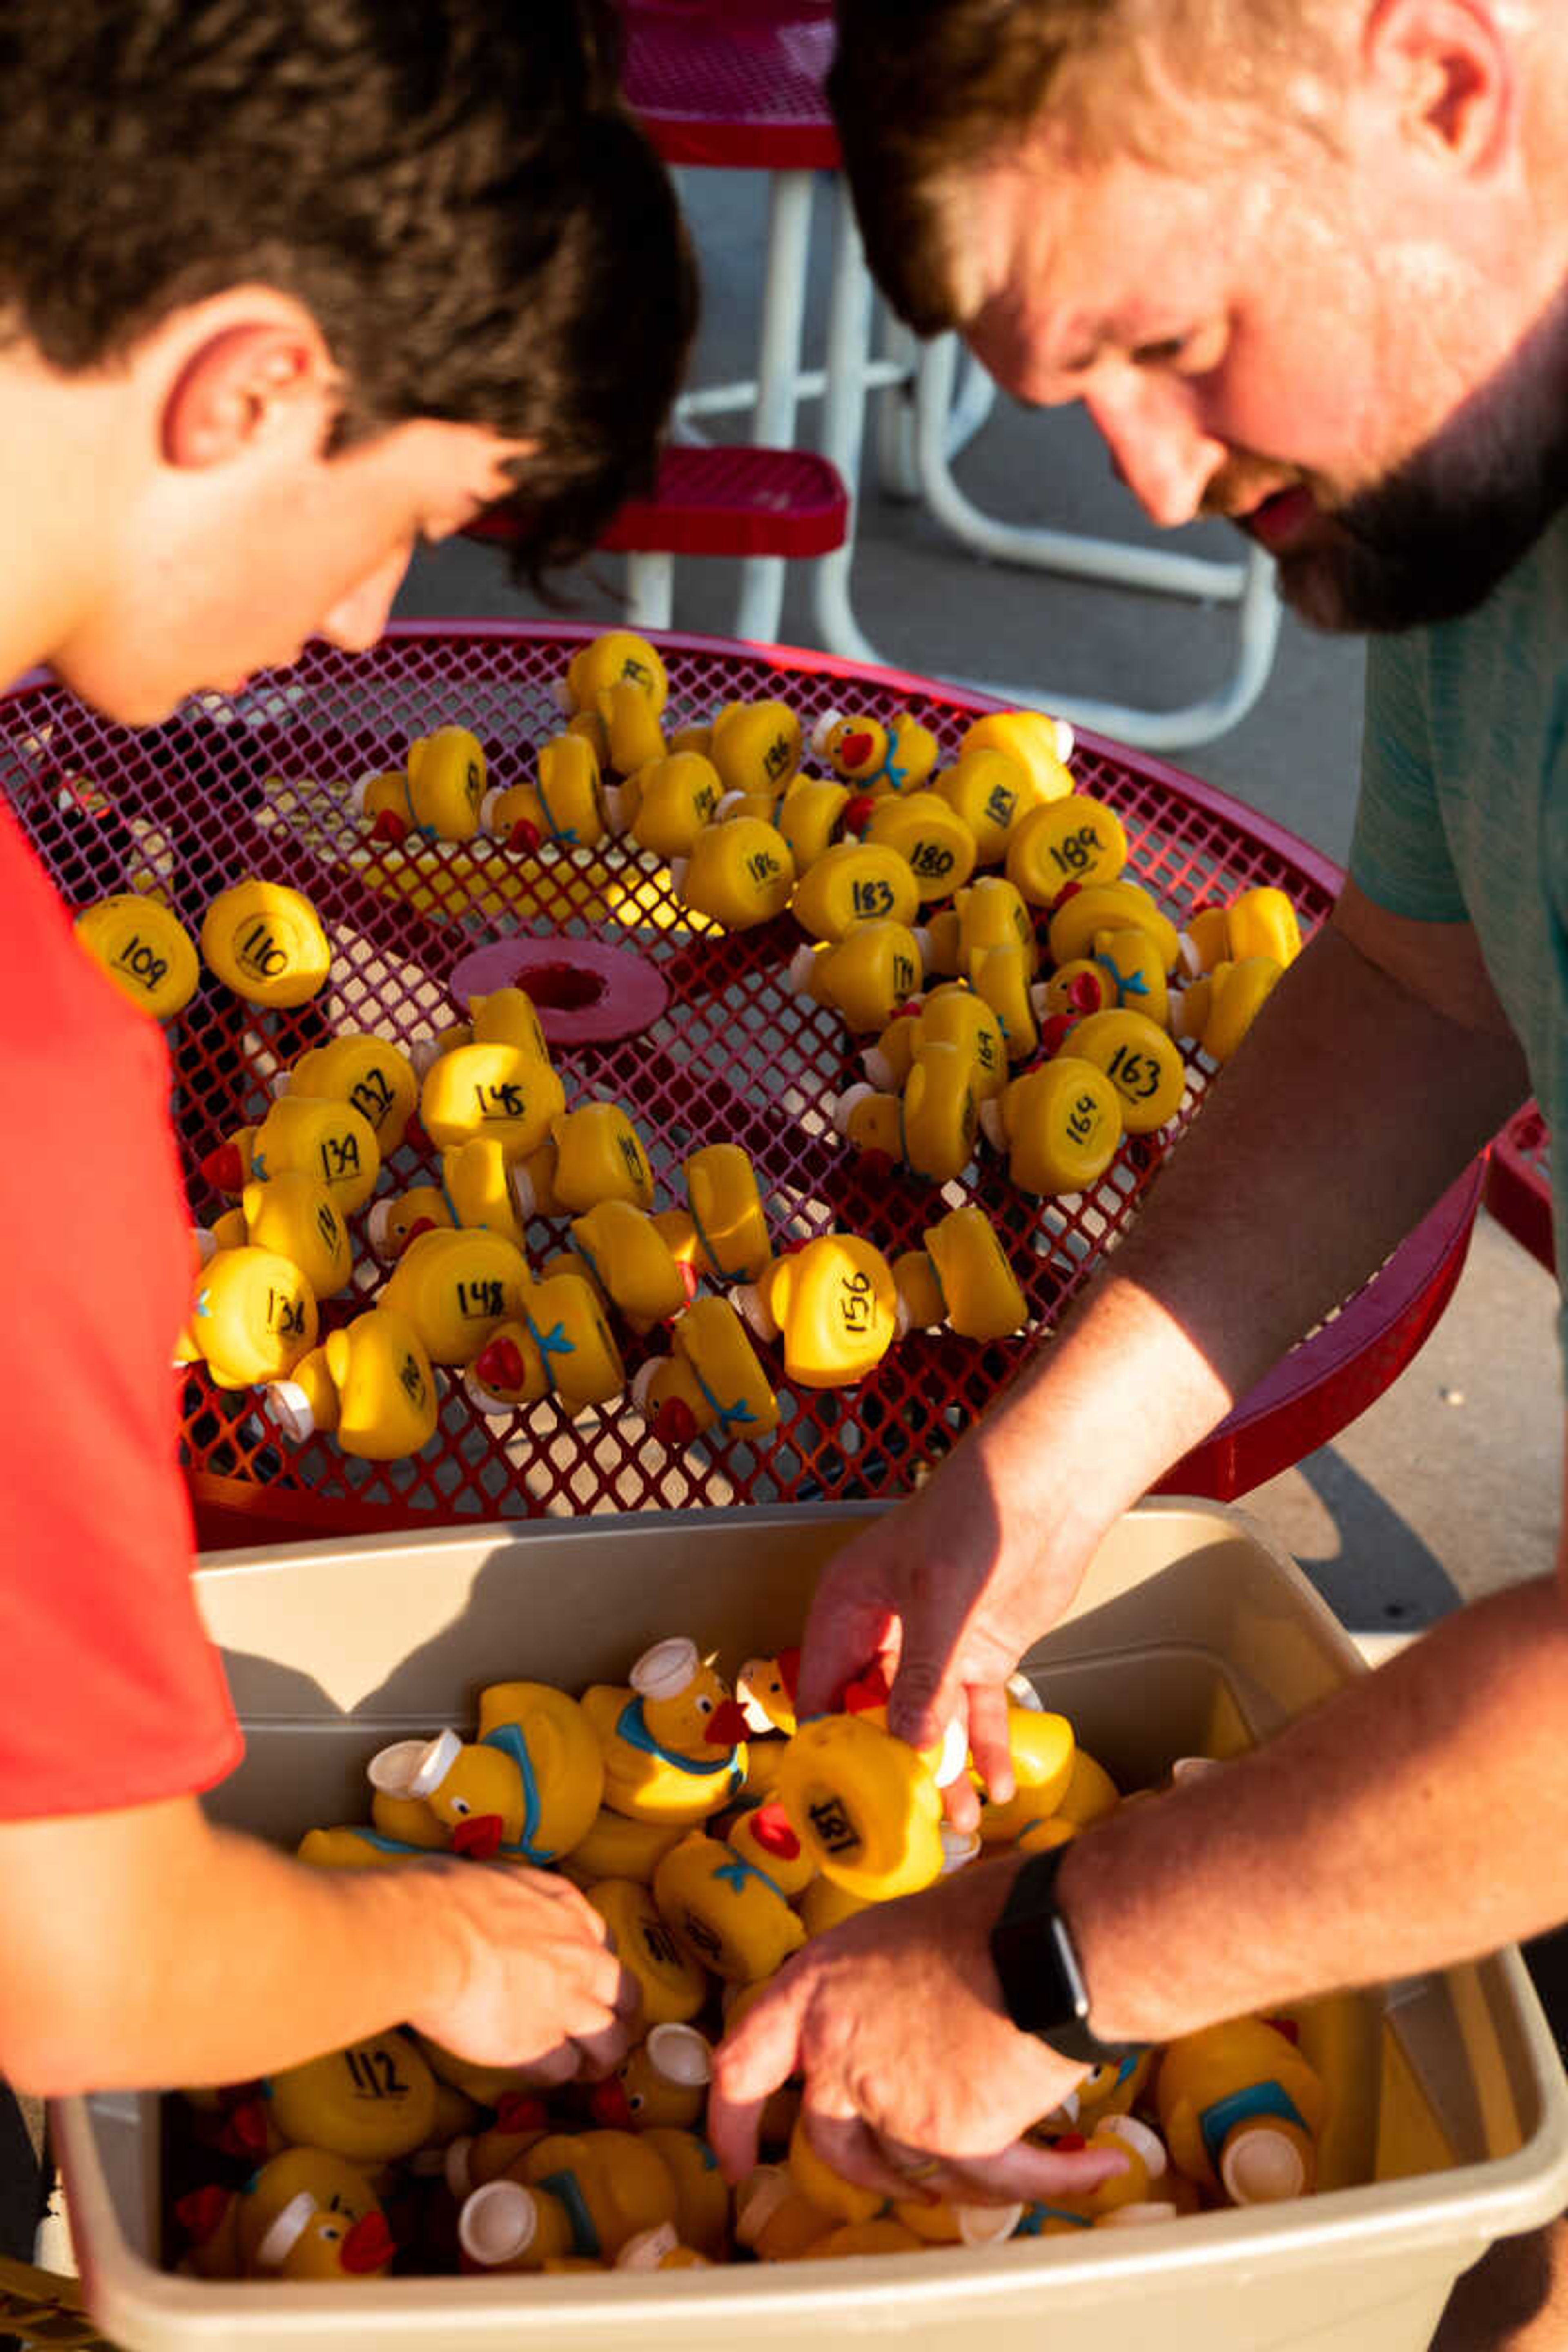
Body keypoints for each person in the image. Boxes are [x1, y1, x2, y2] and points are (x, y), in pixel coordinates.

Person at [708, 1, 1568, 2337]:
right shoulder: (1478, 456)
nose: (1159, 487)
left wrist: (1056, 1961)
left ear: (1444, 88)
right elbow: (1421, 984)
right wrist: (1048, 1475)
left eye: (1177, 346)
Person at [0, 0, 694, 2122]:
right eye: (406, 512)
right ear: (255, 388)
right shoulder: (33, 1083)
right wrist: (441, 1943)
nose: (365, 629)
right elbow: (81, 1970)